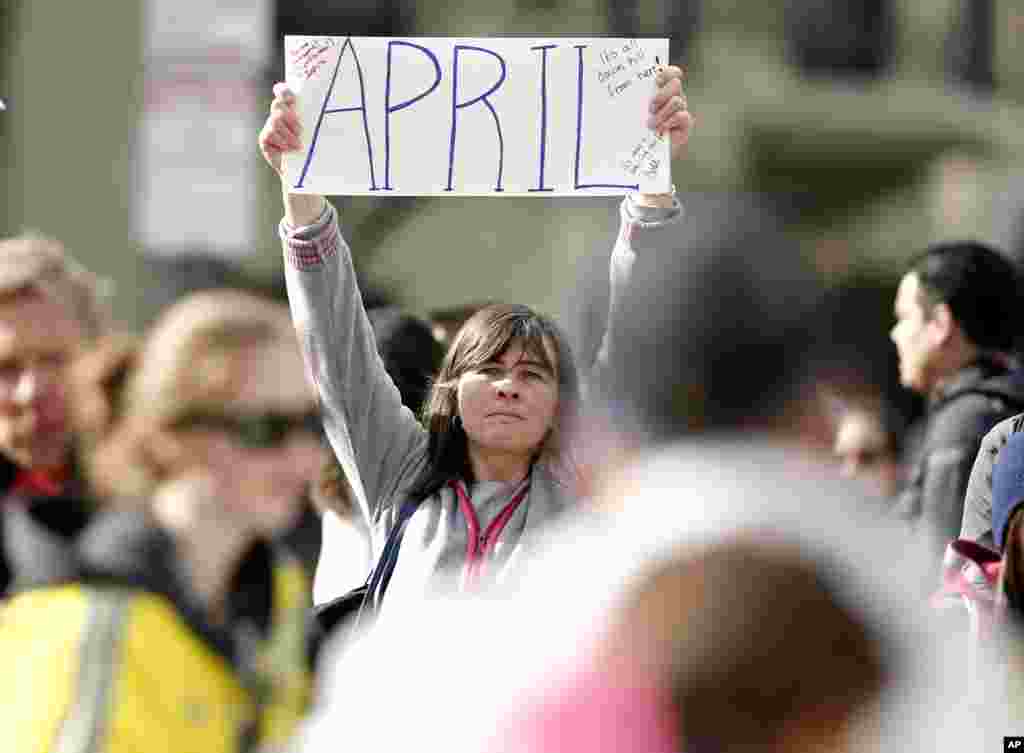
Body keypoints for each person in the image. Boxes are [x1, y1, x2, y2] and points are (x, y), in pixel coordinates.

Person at [259, 65, 694, 607]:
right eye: (489, 369)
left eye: (532, 375)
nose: (509, 386)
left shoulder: (580, 490)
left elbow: (630, 347)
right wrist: (299, 188)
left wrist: (652, 187)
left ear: (561, 405)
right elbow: (335, 345)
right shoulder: (398, 473)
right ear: (451, 390)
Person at [0, 290, 325, 752]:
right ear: (168, 435)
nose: (305, 459)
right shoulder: (88, 623)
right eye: (265, 430)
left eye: (311, 426)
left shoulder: (280, 598)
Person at [887, 241, 1024, 566]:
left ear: (940, 324)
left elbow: (940, 572)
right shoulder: (1004, 406)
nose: (895, 334)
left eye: (904, 318)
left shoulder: (963, 426)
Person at [0, 233, 110, 594]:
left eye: (56, 361)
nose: (32, 392)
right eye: (6, 368)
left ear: (102, 360)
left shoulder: (151, 502)